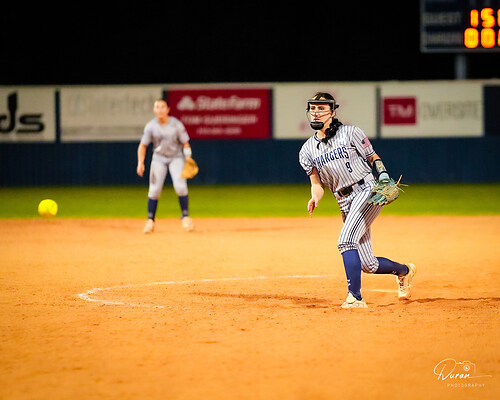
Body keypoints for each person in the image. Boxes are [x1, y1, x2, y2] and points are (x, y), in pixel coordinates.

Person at [298, 92, 416, 309]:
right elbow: (317, 184)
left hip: (367, 191)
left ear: (333, 112)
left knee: (346, 241)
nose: (316, 112)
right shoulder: (306, 150)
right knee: (368, 264)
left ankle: (355, 298)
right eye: (313, 108)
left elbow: (373, 157)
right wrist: (315, 196)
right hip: (343, 200)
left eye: (321, 108)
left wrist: (383, 174)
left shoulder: (350, 133)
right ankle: (405, 271)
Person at [137, 98, 194, 233]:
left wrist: (188, 157)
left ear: (168, 109)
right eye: (157, 107)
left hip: (176, 158)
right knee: (154, 190)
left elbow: (185, 143)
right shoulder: (151, 126)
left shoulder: (176, 125)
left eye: (163, 107)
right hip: (159, 159)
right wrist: (140, 162)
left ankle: (186, 217)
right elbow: (142, 146)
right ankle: (150, 221)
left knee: (180, 187)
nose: (160, 110)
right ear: (154, 110)